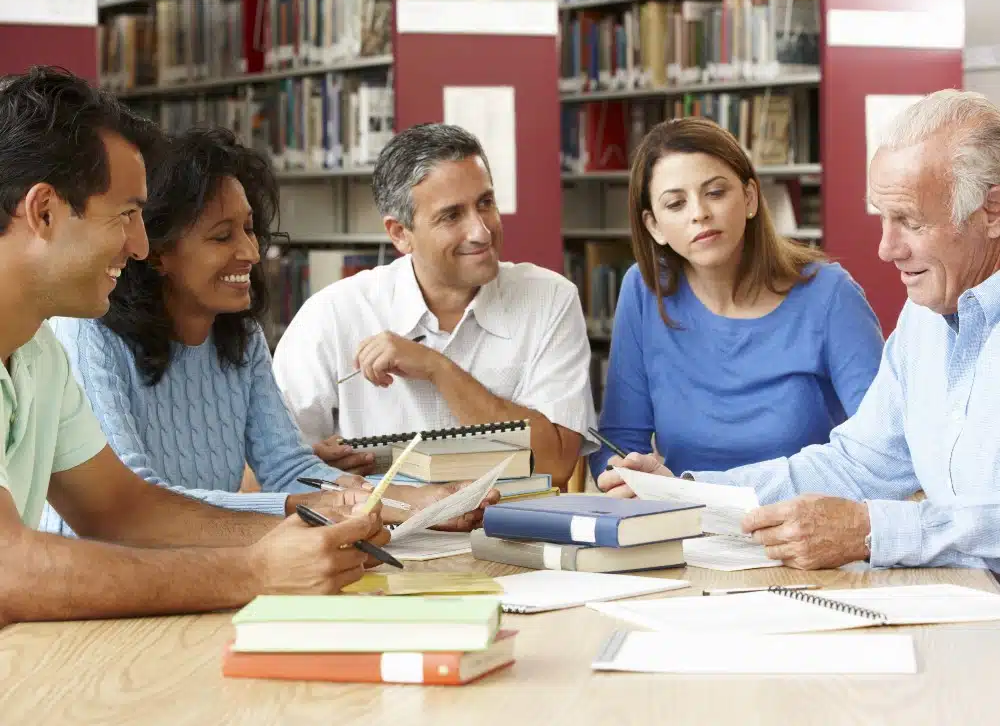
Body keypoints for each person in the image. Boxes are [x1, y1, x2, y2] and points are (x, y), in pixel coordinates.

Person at [0, 66, 387, 628]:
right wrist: (254, 571)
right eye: (127, 215)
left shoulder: (39, 353)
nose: (139, 246)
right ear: (44, 212)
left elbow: (124, 512)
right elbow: (9, 569)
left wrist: (318, 530)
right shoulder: (73, 339)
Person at [600, 90, 1000, 573]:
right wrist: (686, 492)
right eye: (883, 218)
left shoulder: (835, 295)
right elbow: (858, 464)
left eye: (909, 222)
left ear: (991, 211)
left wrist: (869, 531)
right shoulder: (924, 322)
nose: (885, 249)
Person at [42, 127, 493, 534]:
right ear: (157, 253)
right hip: (108, 581)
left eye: (250, 229)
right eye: (223, 236)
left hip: (206, 561)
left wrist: (413, 500)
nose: (251, 252)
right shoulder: (88, 334)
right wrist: (317, 505)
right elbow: (137, 500)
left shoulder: (240, 337)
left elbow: (286, 467)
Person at [273, 123, 597, 490]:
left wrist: (438, 369)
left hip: (512, 536)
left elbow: (555, 465)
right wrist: (319, 472)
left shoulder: (550, 298)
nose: (481, 231)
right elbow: (271, 472)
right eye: (452, 216)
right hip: (377, 537)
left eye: (485, 203)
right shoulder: (332, 315)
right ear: (400, 234)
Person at [590, 119, 883, 484]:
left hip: (803, 526)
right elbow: (618, 442)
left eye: (715, 192)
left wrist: (701, 490)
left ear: (749, 198)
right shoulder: (644, 289)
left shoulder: (830, 295)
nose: (699, 213)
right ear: (654, 226)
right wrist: (624, 477)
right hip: (684, 525)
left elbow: (882, 451)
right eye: (676, 203)